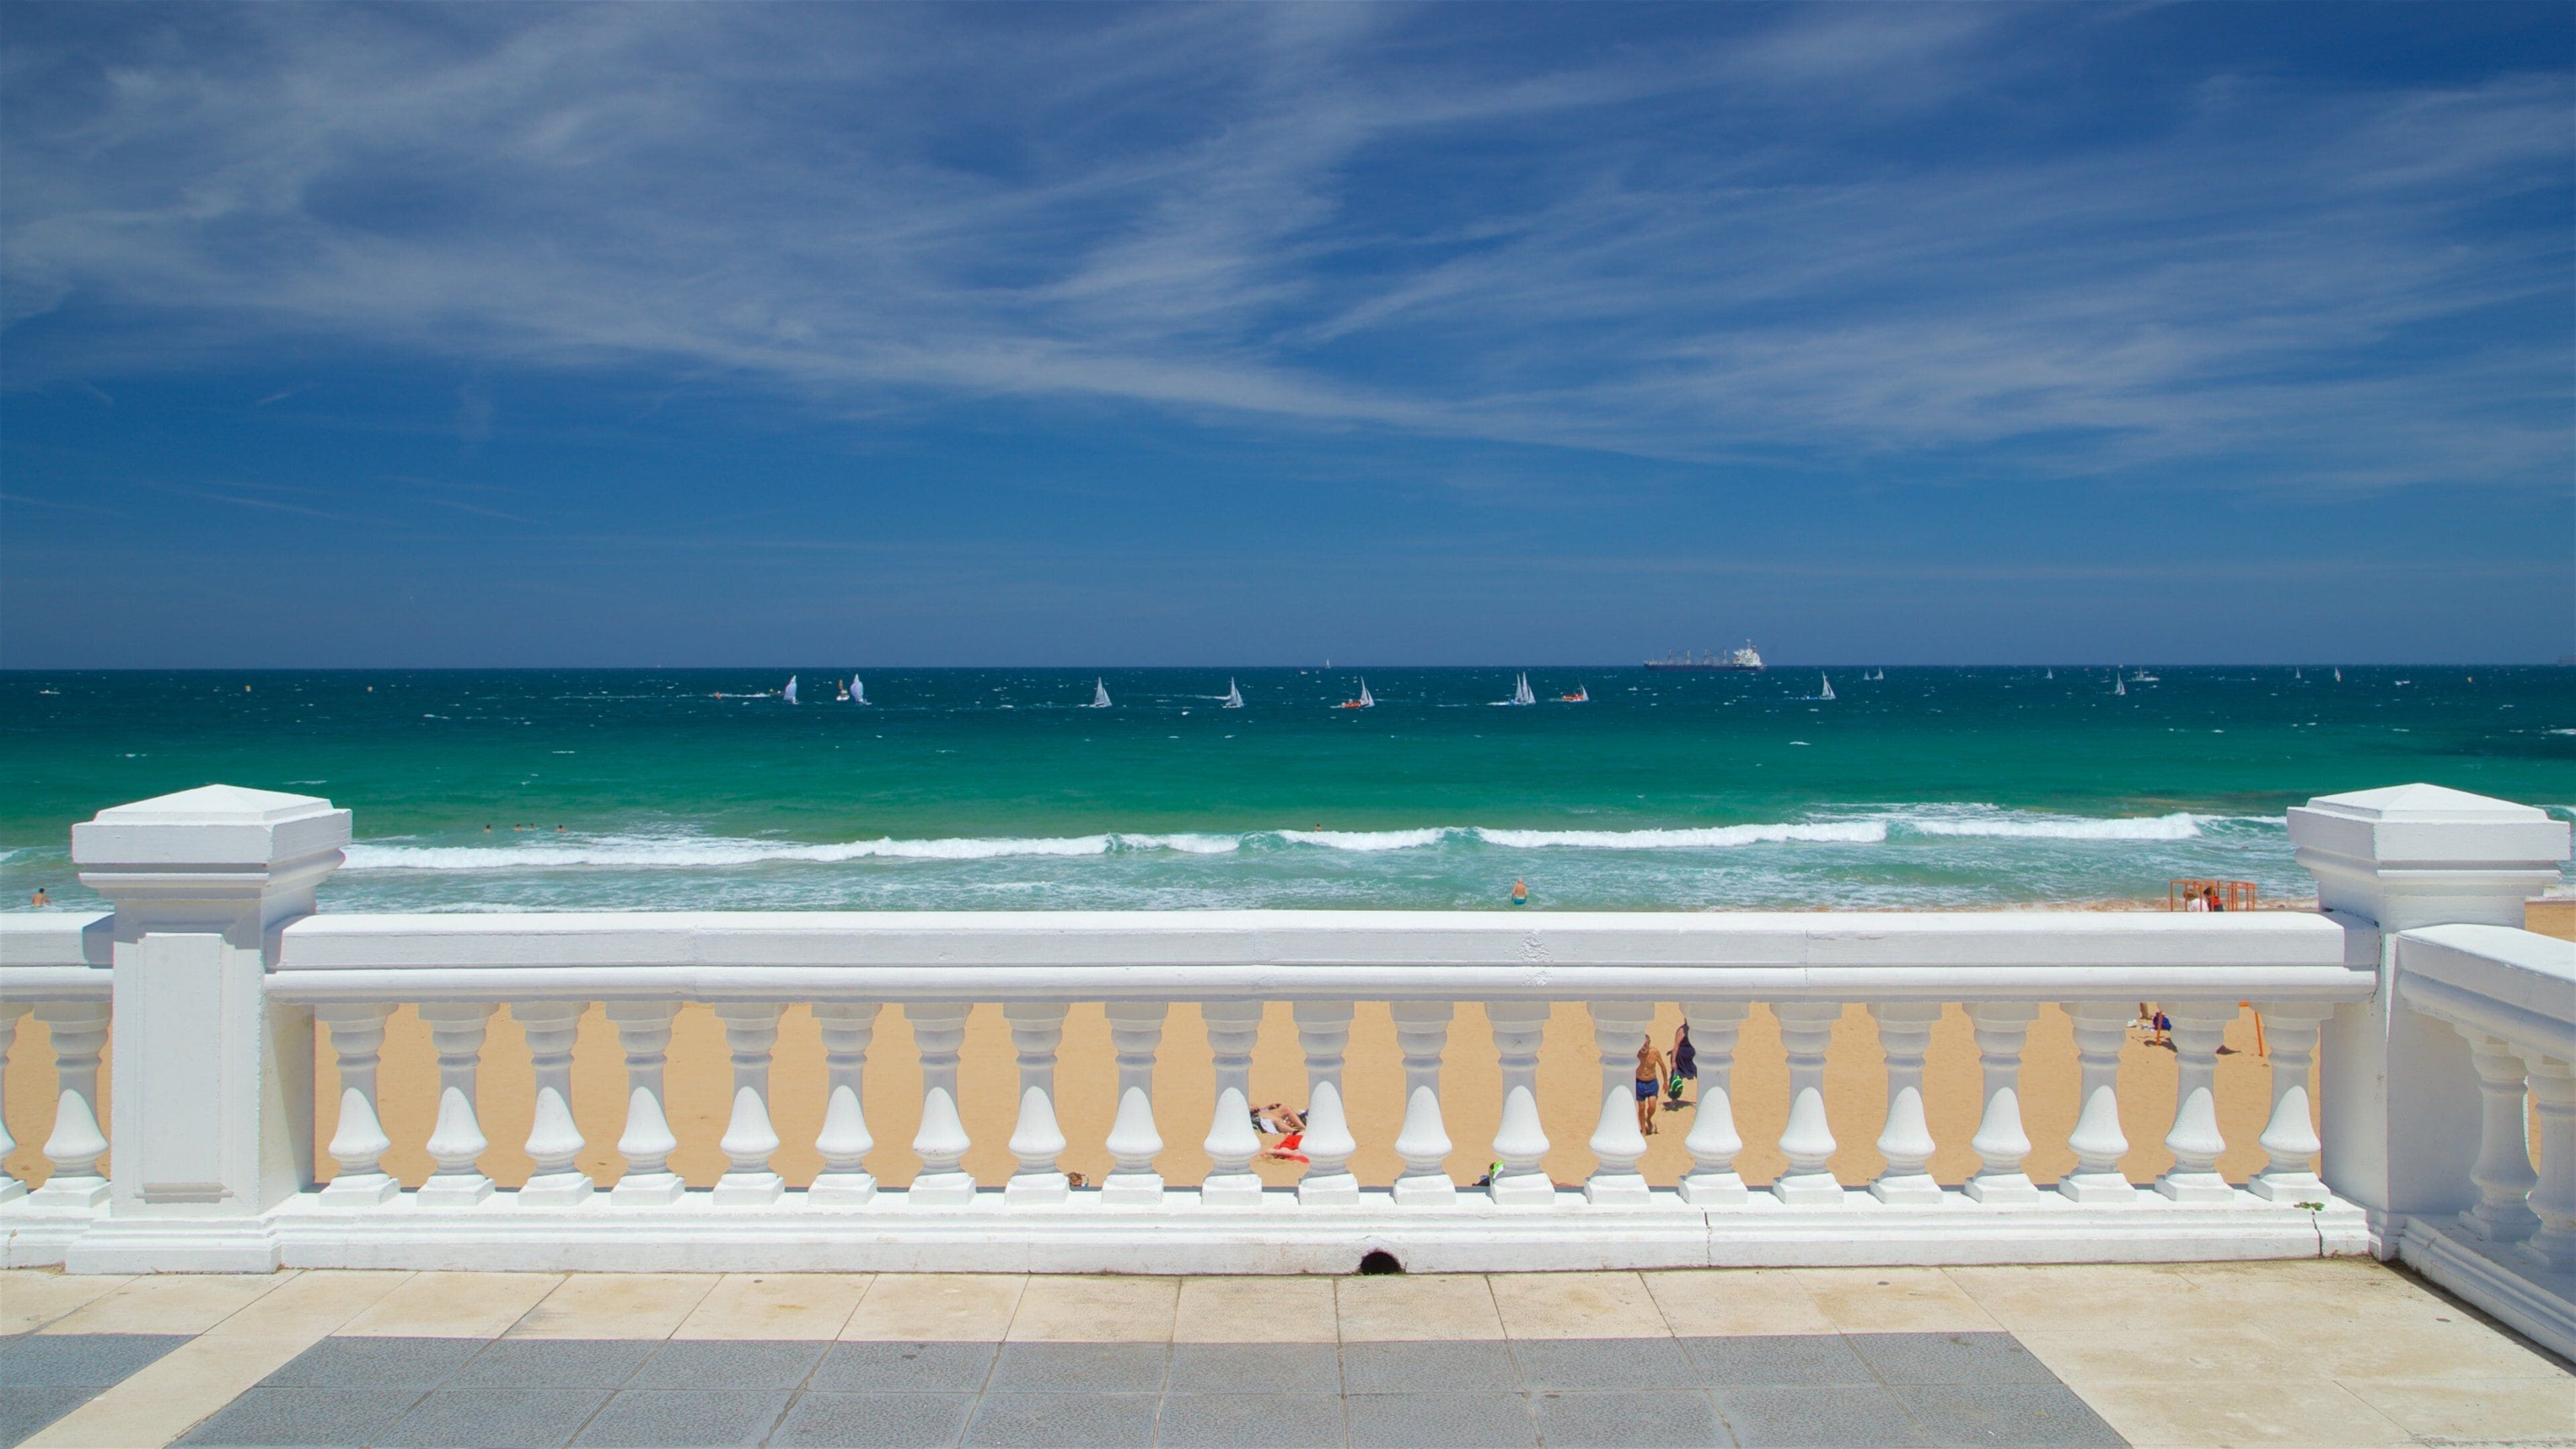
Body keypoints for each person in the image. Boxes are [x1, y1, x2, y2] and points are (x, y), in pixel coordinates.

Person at [1634, 1034, 1666, 1136]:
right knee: (1641, 1107)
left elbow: (1662, 1066)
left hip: (1652, 1082)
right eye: (1641, 1045)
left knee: (1652, 1107)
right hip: (1640, 1082)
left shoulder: (1654, 1052)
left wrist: (1666, 1081)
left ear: (1649, 1044)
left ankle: (1648, 1119)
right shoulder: (1635, 1054)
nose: (1643, 1048)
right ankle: (1643, 1130)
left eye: (1645, 1045)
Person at [1666, 1022, 1695, 1107]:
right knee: (1676, 1078)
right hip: (1681, 1058)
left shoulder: (1696, 1028)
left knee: (1702, 1074)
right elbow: (1676, 1045)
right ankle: (1673, 1101)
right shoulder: (1683, 1030)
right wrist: (1674, 1061)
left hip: (1692, 1058)